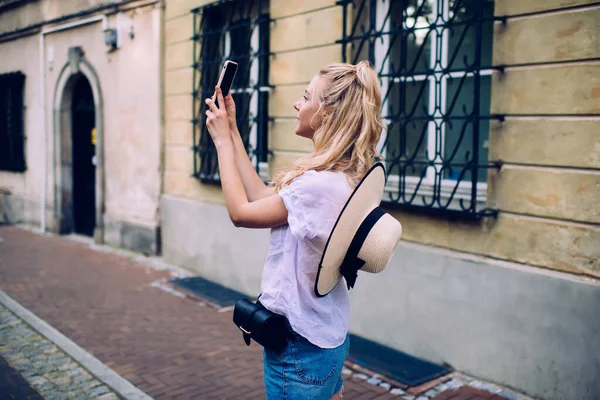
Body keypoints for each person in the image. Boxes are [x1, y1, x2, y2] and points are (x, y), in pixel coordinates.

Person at [204, 60, 383, 400]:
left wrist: (222, 144)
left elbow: (241, 213)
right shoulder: (340, 178)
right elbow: (258, 197)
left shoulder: (317, 186)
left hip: (299, 350)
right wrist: (232, 130)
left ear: (326, 113)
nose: (297, 105)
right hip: (325, 342)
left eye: (306, 97)